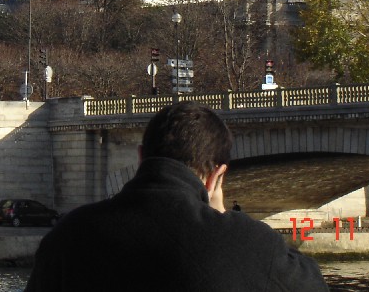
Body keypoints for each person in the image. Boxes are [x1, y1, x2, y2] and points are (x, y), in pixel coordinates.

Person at [25, 101, 327, 292]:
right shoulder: (247, 242)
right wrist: (223, 217)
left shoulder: (68, 234)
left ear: (141, 156)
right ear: (217, 176)